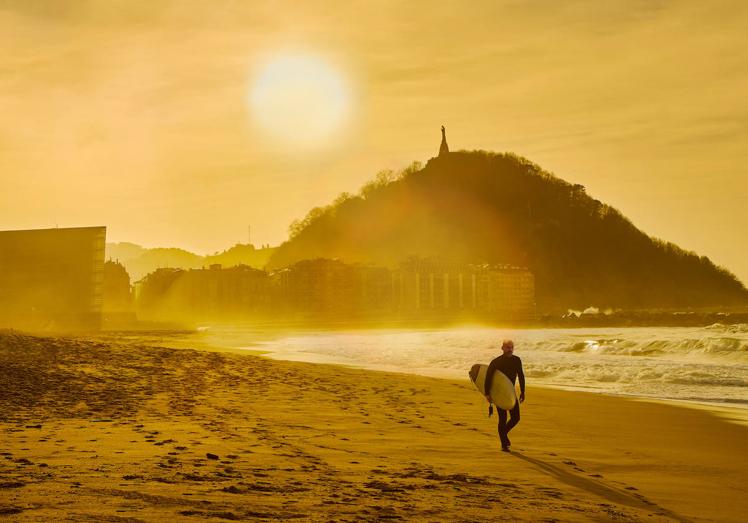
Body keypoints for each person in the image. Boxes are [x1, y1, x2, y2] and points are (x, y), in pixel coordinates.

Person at [484, 339, 525, 451]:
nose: (510, 349)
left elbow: (521, 375)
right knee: (503, 418)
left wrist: (523, 391)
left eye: (511, 347)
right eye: (507, 347)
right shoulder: (496, 362)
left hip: (510, 393)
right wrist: (487, 393)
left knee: (516, 418)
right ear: (502, 348)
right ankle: (504, 444)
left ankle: (503, 434)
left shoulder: (517, 360)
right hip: (498, 393)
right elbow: (488, 377)